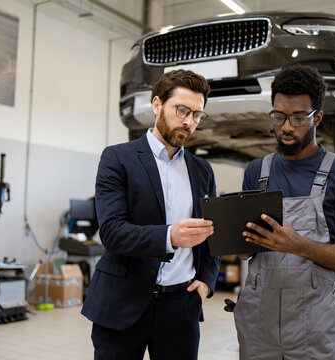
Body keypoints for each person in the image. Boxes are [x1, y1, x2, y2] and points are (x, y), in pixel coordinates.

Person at [82, 69, 221, 360]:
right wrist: (170, 236)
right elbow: (112, 232)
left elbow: (211, 232)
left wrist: (207, 282)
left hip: (180, 307)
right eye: (181, 110)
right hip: (123, 302)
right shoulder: (117, 158)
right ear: (157, 105)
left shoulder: (202, 170)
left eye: (197, 115)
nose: (188, 122)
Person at [233, 65, 335, 360]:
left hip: (317, 324)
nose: (286, 127)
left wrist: (299, 246)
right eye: (278, 116)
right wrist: (233, 240)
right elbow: (244, 252)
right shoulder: (256, 172)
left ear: (317, 117)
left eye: (297, 118)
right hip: (260, 324)